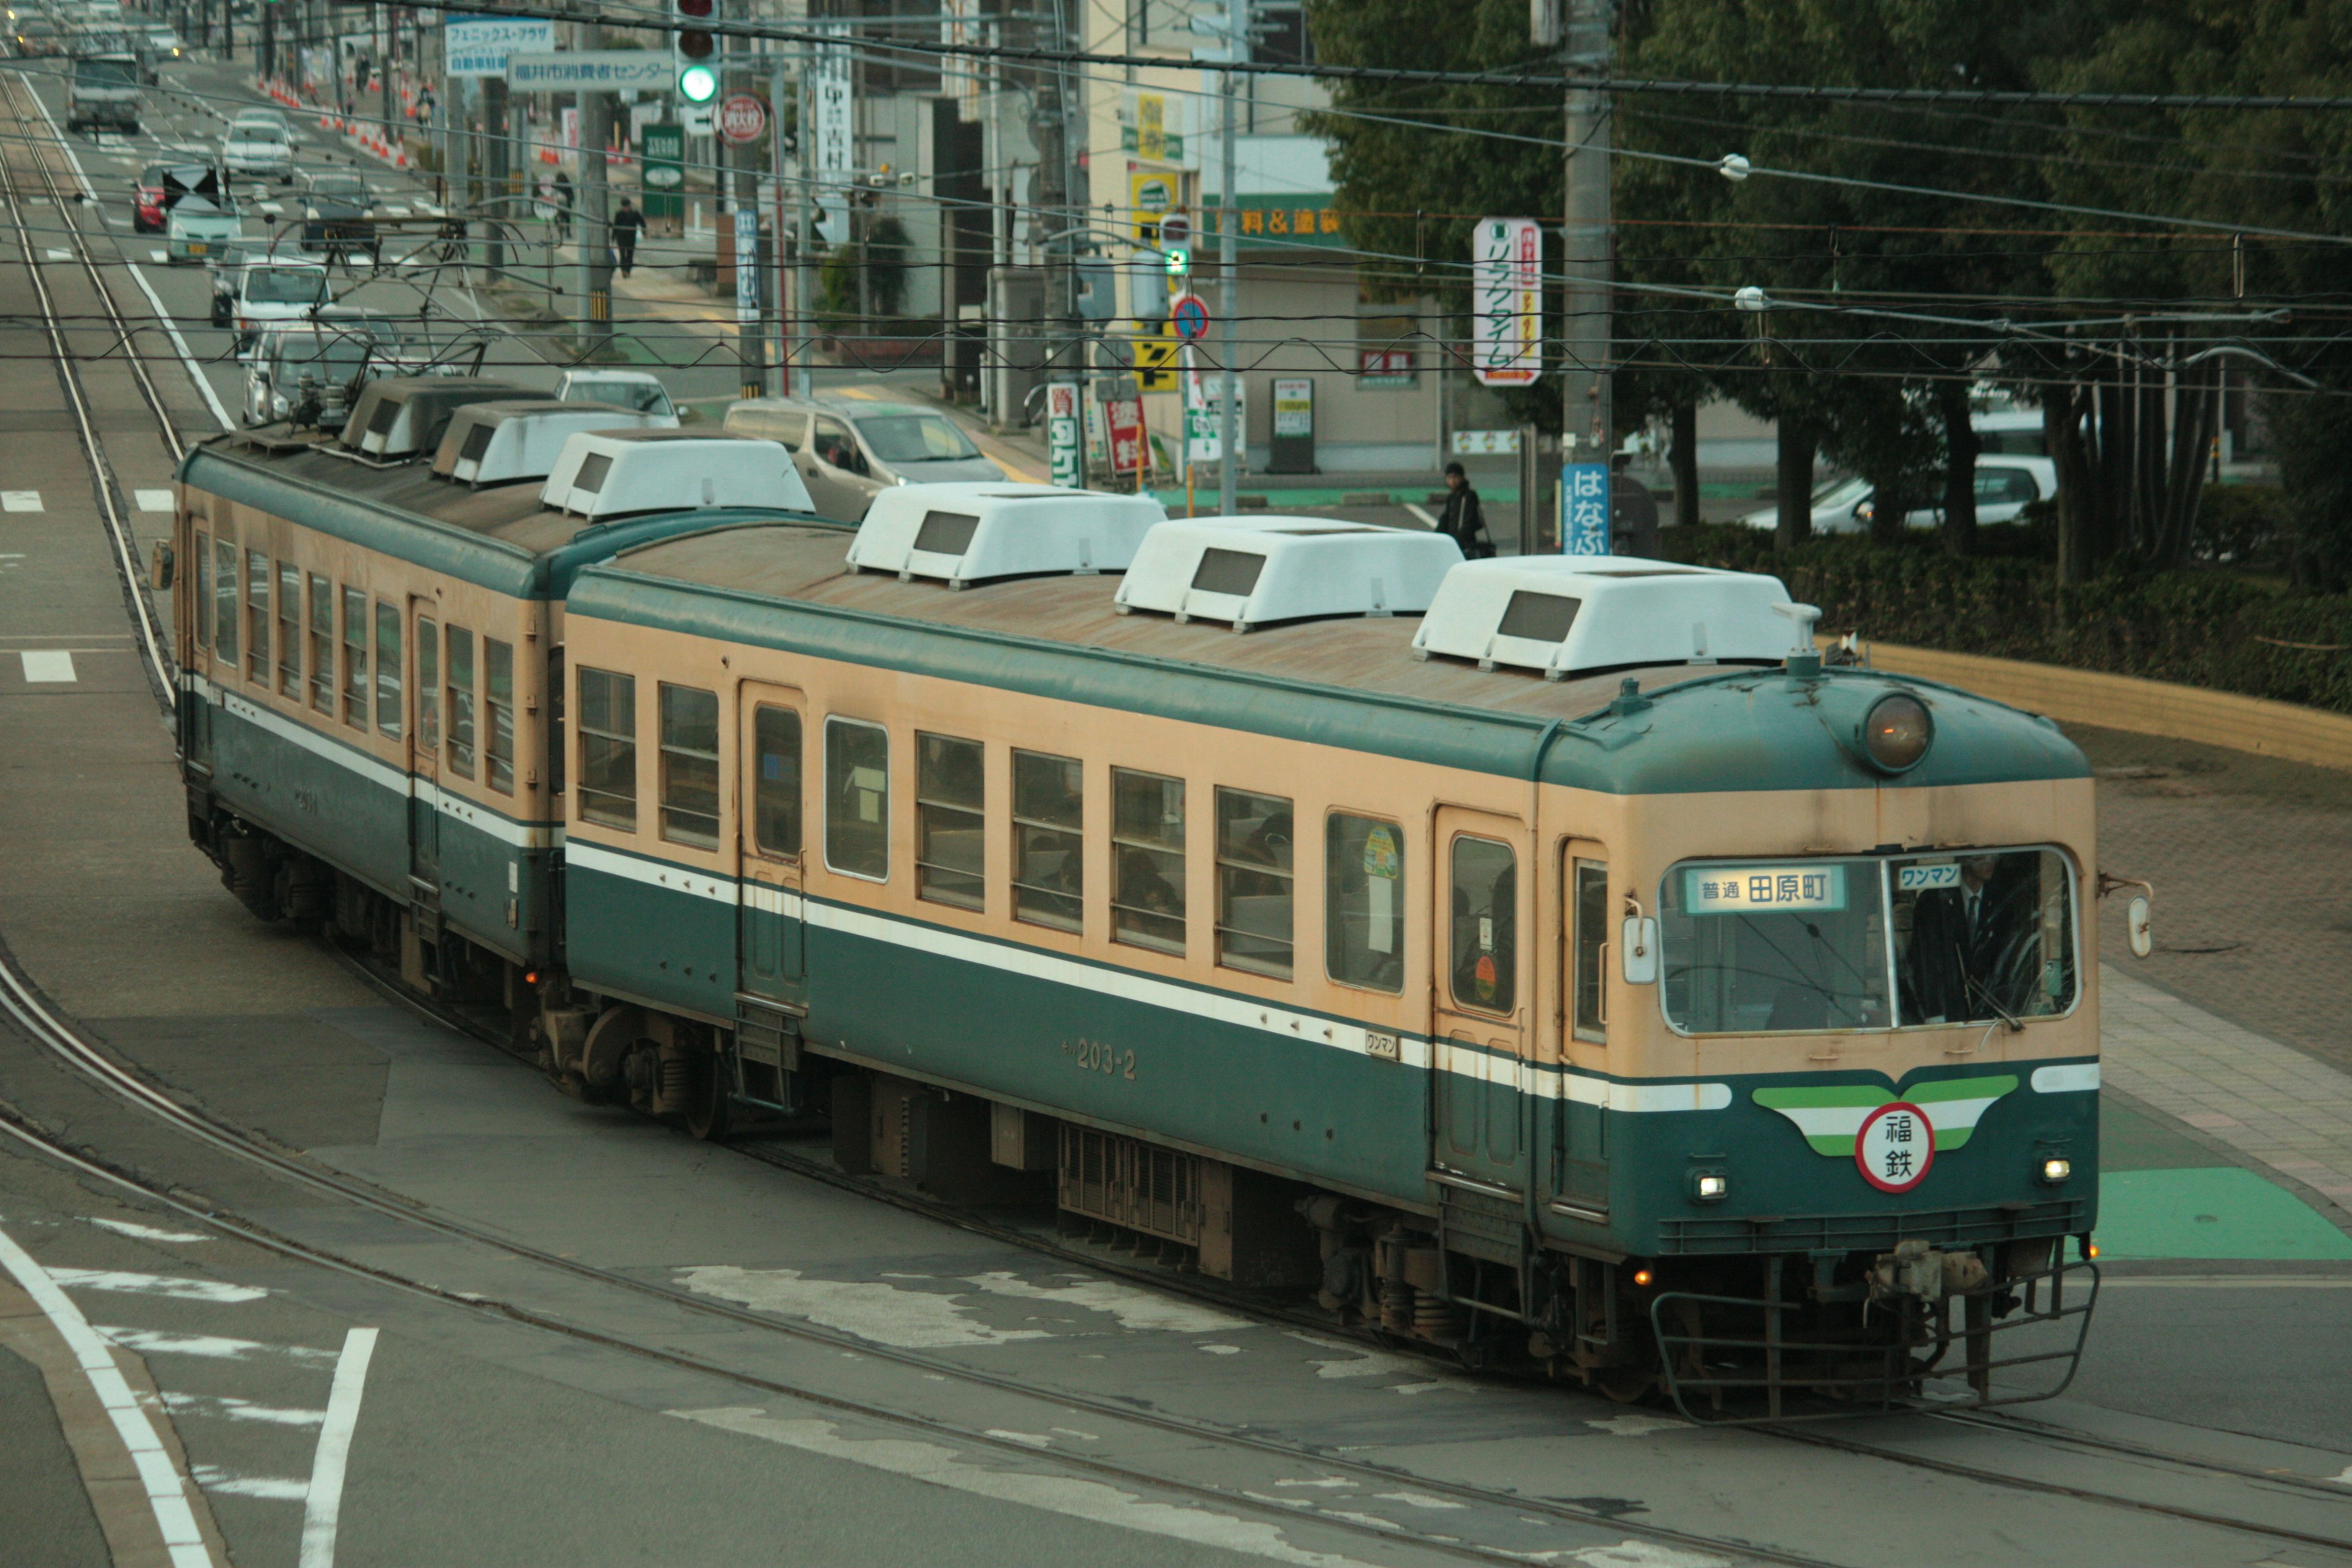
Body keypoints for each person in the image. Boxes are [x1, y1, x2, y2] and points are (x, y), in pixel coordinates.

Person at [1904, 854, 2024, 1022]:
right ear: (1963, 860)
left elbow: (2005, 962)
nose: (1989, 862)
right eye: (1981, 857)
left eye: (1994, 856)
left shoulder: (2001, 903)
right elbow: (1925, 962)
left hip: (1990, 1011)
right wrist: (1934, 1013)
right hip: (1947, 1009)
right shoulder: (1933, 902)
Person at [1435, 461, 1492, 558]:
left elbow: (1469, 523)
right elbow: (1446, 518)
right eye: (1449, 478)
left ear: (1462, 478)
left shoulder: (1469, 496)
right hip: (1453, 543)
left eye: (1456, 477)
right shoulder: (1452, 496)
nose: (1453, 481)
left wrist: (1456, 541)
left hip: (1465, 545)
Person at [611, 196, 645, 278]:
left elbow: (642, 222)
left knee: (630, 255)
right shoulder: (619, 214)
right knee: (622, 255)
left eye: (627, 206)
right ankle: (624, 270)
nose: (626, 208)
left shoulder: (634, 214)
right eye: (625, 207)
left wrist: (644, 231)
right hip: (621, 238)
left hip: (631, 237)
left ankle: (628, 270)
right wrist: (613, 236)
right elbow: (616, 225)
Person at [551, 169, 574, 244]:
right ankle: (567, 231)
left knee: (557, 215)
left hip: (559, 205)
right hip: (566, 205)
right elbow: (572, 196)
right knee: (567, 218)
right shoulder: (567, 185)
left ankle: (559, 224)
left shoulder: (556, 185)